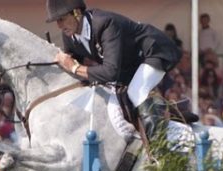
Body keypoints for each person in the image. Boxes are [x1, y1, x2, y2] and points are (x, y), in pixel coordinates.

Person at [49, 0, 182, 138]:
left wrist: (74, 67)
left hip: (153, 51)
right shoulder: (69, 35)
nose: (59, 25)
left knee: (136, 92)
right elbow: (73, 61)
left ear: (77, 13)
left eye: (62, 19)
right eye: (57, 21)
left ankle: (159, 145)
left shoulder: (105, 24)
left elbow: (109, 72)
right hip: (128, 65)